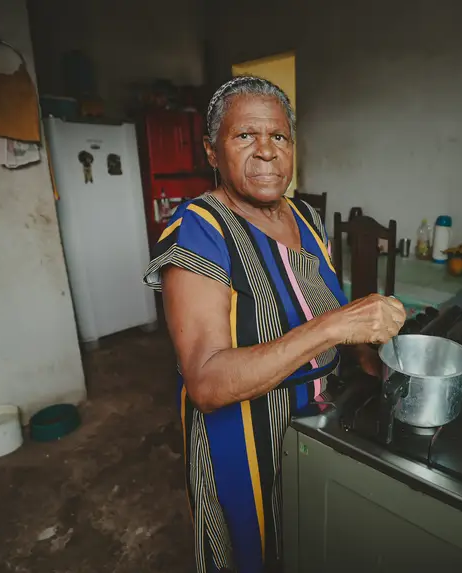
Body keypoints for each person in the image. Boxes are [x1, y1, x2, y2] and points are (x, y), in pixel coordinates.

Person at [143, 76, 406, 573]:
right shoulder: (200, 229)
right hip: (241, 443)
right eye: (245, 136)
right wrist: (333, 328)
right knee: (256, 554)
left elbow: (316, 297)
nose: (266, 152)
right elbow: (205, 380)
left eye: (279, 137)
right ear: (212, 152)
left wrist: (363, 354)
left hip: (316, 427)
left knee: (311, 545)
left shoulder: (306, 217)